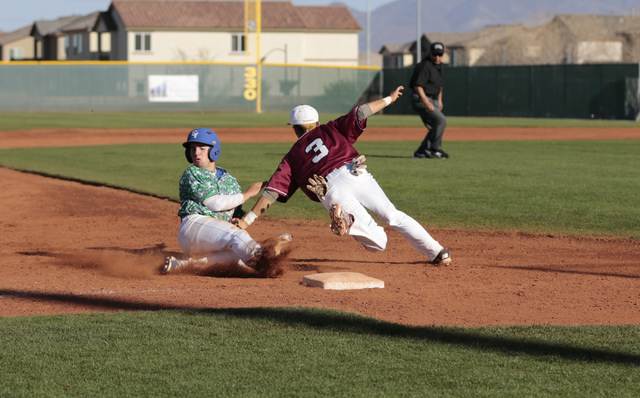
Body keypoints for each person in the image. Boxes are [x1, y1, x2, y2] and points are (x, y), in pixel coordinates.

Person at [234, 86, 451, 265]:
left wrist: (246, 222)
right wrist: (389, 99)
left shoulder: (291, 158)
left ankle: (348, 220)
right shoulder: (331, 128)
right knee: (394, 216)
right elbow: (361, 112)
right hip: (354, 172)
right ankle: (438, 252)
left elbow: (271, 193)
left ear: (294, 130)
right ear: (316, 123)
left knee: (379, 243)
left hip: (328, 190)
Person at [164, 127, 291, 275]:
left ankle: (182, 265)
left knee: (236, 255)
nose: (196, 152)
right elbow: (214, 203)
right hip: (193, 228)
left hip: (213, 237)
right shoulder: (192, 173)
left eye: (202, 148)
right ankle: (263, 260)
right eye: (192, 149)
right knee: (237, 236)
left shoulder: (230, 180)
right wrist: (248, 194)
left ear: (214, 151)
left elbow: (236, 219)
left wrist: (249, 213)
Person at [410, 41, 449, 159]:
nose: (437, 57)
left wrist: (439, 100)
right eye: (434, 54)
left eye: (440, 55)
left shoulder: (439, 66)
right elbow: (417, 86)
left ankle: (421, 152)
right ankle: (434, 149)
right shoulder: (424, 65)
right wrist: (426, 102)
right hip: (421, 99)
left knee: (435, 127)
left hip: (433, 99)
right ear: (430, 53)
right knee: (441, 121)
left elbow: (439, 85)